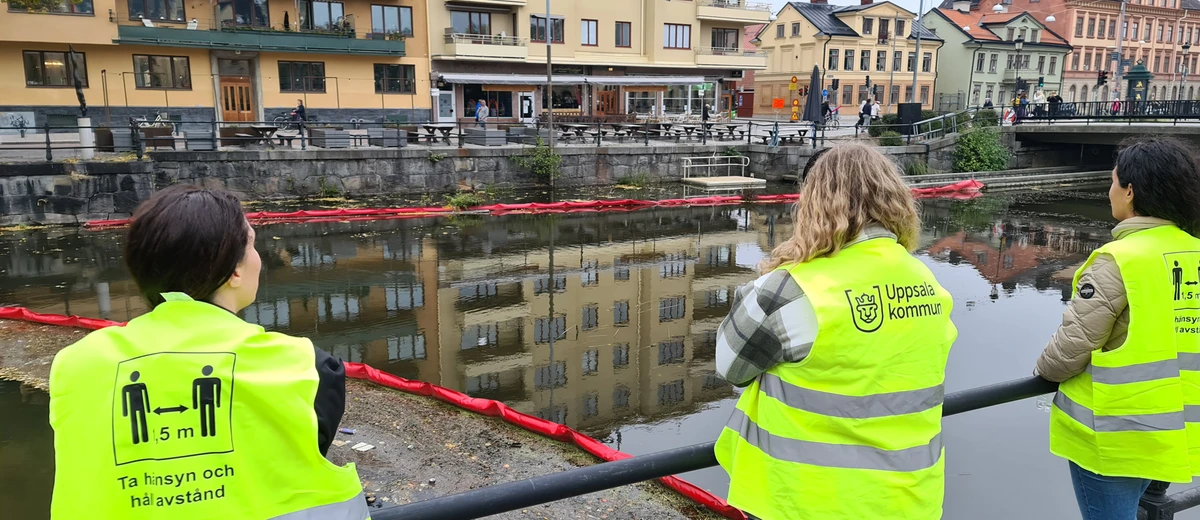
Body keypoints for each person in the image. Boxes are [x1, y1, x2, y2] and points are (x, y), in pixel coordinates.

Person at [49, 185, 367, 519]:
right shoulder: (305, 367)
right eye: (252, 244)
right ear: (235, 271)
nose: (259, 259)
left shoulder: (75, 365)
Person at [714, 143, 957, 520]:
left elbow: (730, 365)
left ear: (814, 203)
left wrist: (779, 268)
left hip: (807, 502)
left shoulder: (789, 289)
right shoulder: (925, 281)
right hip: (909, 499)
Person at [1035, 137, 1200, 520]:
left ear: (1130, 191)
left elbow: (1069, 349)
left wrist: (1041, 371)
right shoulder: (1193, 250)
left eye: (1112, 182)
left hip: (1116, 433)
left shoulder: (1120, 259)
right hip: (1175, 428)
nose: (1109, 191)